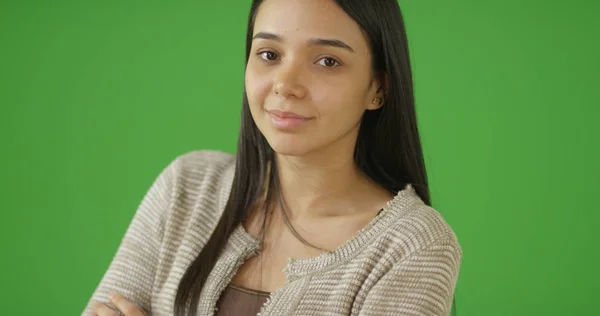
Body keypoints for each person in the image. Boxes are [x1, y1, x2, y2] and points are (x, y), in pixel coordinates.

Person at [83, 0, 463, 315]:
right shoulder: (186, 187)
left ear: (378, 88)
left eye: (327, 61)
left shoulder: (413, 246)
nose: (286, 84)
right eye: (269, 54)